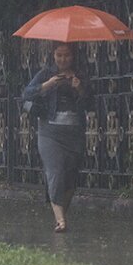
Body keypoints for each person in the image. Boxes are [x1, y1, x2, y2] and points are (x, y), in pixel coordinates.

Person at [22, 43, 93, 232]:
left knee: (70, 177)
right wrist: (49, 84)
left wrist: (79, 88)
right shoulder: (46, 74)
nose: (63, 59)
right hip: (49, 133)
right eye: (59, 55)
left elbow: (91, 103)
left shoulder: (81, 75)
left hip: (74, 133)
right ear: (53, 55)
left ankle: (61, 212)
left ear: (73, 56)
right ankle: (60, 221)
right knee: (56, 171)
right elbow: (26, 94)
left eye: (67, 55)